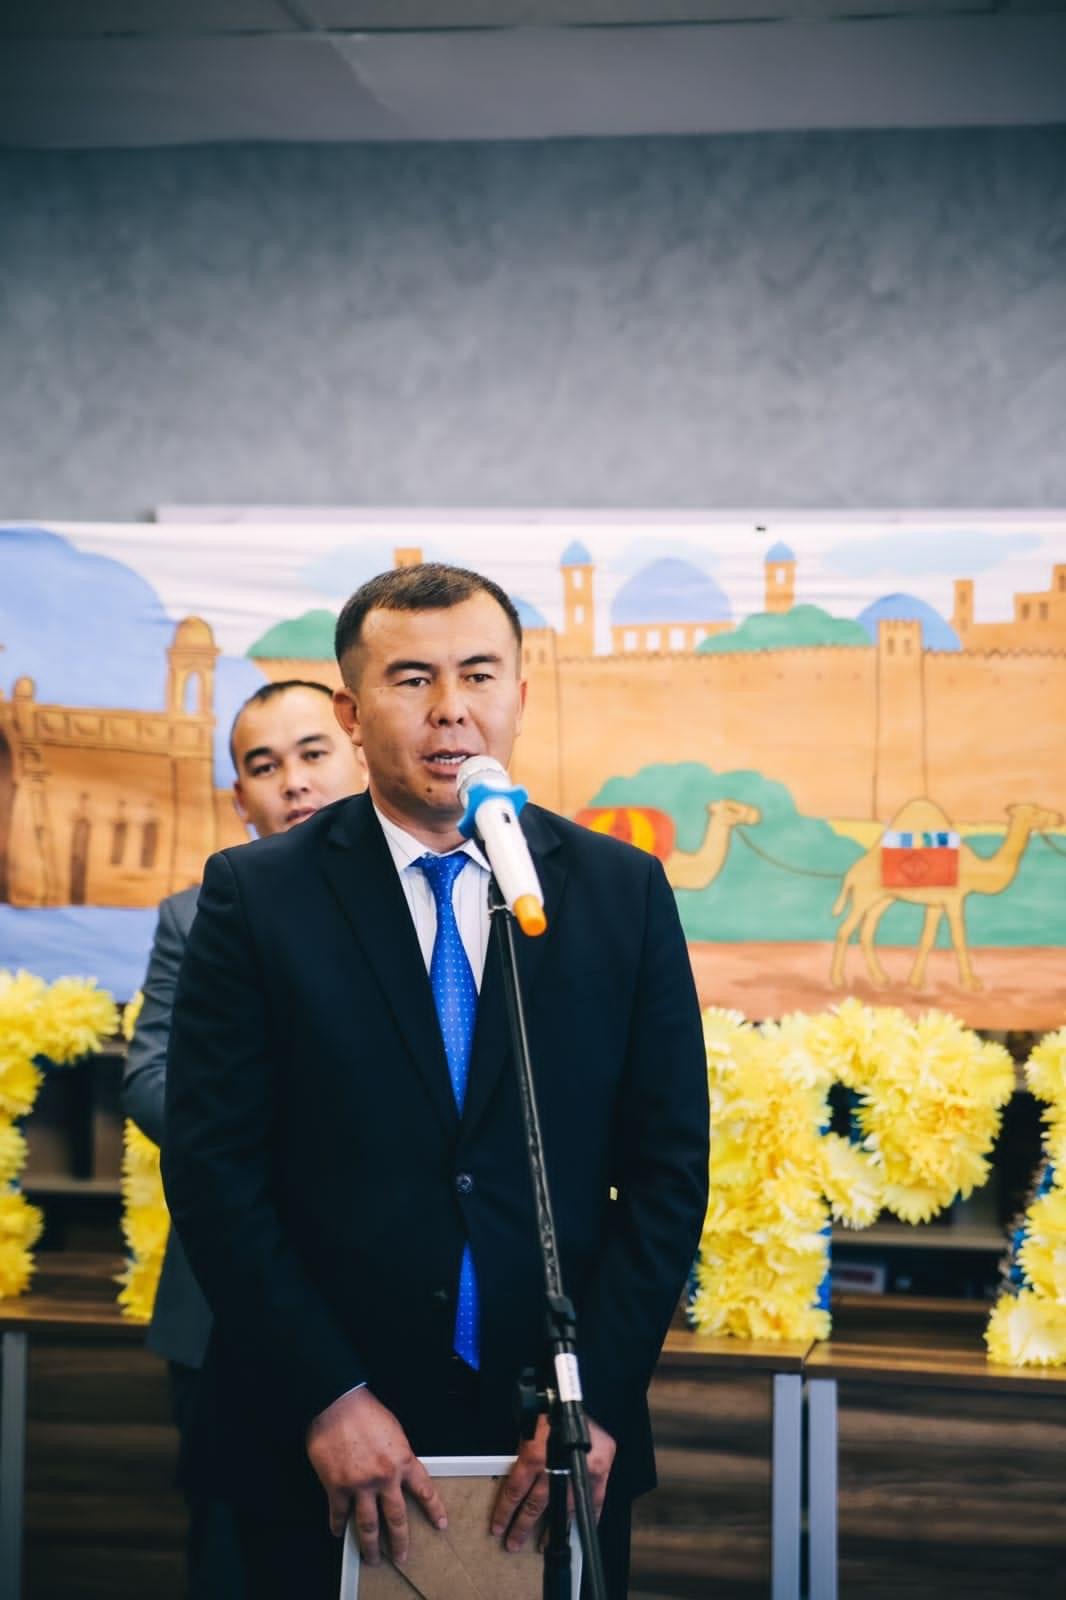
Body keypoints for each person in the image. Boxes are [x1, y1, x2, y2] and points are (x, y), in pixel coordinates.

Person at [162, 564, 709, 1599]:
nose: (451, 708)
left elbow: (669, 1169)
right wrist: (328, 1394)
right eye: (411, 679)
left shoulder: (617, 890)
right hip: (320, 1426)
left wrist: (594, 1398)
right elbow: (213, 1167)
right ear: (351, 712)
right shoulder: (258, 896)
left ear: (521, 695)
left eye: (478, 674)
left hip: (551, 1435)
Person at [122, 678, 367, 1599]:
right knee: (236, 1562)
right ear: (241, 800)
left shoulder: (434, 904)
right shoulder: (196, 915)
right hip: (223, 1308)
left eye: (313, 754)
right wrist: (274, 1134)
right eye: (265, 767)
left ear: (358, 756)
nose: (293, 780)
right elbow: (149, 1077)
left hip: (389, 1310)